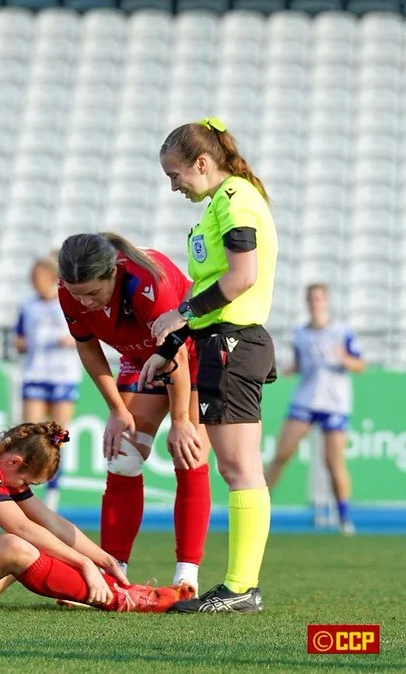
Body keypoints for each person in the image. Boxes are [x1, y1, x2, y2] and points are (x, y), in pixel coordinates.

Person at [142, 117, 278, 613]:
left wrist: (182, 314)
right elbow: (212, 289)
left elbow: (242, 278)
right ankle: (242, 587)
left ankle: (241, 589)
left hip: (235, 344)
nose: (174, 185)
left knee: (240, 467)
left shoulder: (237, 199)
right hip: (225, 341)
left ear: (202, 163)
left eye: (176, 174)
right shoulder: (221, 204)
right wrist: (172, 342)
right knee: (236, 466)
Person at [0, 421, 195, 612]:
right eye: (28, 482)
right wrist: (83, 564)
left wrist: (105, 561)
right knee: (17, 547)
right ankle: (121, 601)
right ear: (15, 461)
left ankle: (117, 590)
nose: (26, 488)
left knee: (40, 546)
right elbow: (21, 528)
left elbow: (51, 523)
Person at [57, 232, 211, 595]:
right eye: (78, 294)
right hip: (141, 359)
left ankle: (187, 576)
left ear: (112, 272)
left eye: (93, 293)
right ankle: (114, 570)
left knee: (187, 454)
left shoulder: (146, 281)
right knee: (122, 458)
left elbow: (174, 352)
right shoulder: (69, 290)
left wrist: (181, 421)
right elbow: (88, 348)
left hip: (192, 355)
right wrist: (115, 410)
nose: (85, 302)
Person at [265, 283, 365, 536]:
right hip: (306, 400)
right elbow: (300, 364)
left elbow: (359, 364)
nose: (315, 303)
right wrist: (290, 369)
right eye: (311, 298)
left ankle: (344, 518)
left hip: (334, 403)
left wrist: (345, 359)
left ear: (326, 301)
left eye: (319, 298)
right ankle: (259, 509)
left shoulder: (341, 332)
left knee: (333, 462)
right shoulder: (301, 333)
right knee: (281, 455)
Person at [14, 254, 82, 512]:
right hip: (35, 373)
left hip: (63, 375)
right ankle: (22, 491)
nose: (34, 282)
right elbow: (18, 338)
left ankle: (53, 495)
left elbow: (85, 335)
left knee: (57, 436)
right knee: (28, 434)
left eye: (38, 277)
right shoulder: (28, 306)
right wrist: (21, 345)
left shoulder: (67, 304)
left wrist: (71, 340)